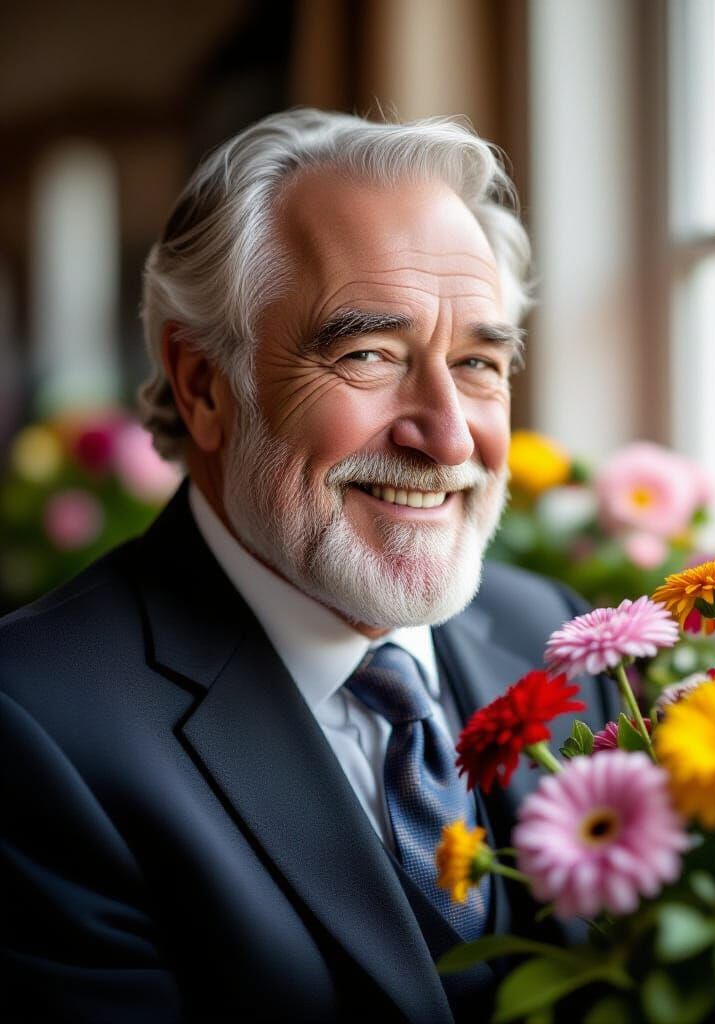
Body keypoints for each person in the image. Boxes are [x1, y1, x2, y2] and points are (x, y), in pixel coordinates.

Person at [0, 109, 614, 1024]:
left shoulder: (556, 638)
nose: (449, 435)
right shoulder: (34, 726)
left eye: (479, 362)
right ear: (205, 384)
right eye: (369, 355)